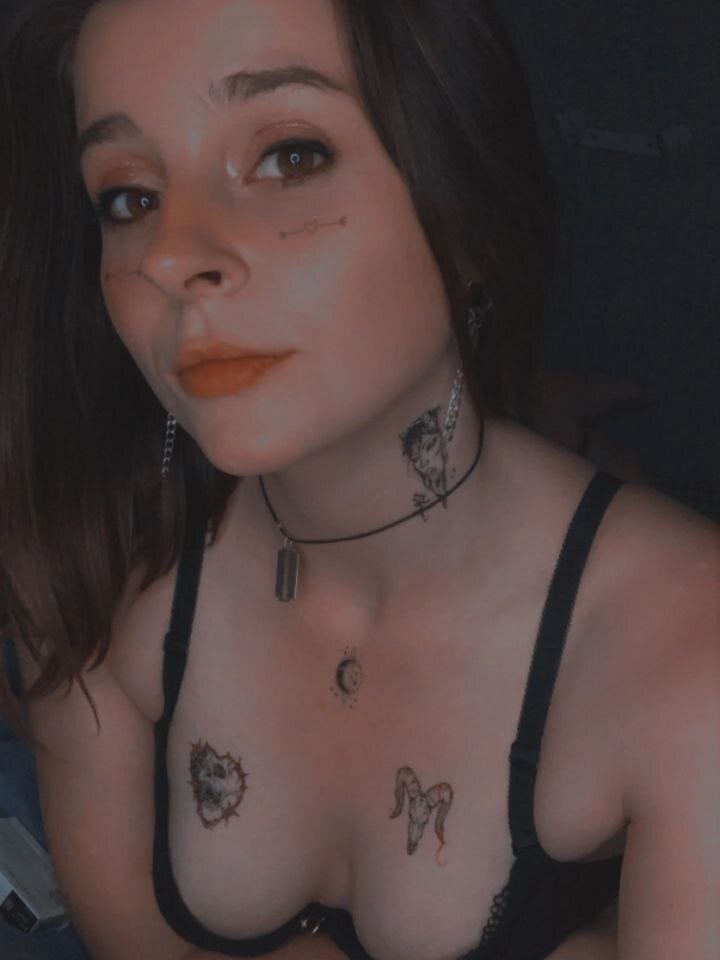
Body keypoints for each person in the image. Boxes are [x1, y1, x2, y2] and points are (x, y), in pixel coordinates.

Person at [1, 2, 718, 959]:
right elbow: (132, 935)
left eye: (289, 156)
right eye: (129, 198)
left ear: (465, 197)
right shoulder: (94, 554)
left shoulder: (687, 650)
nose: (170, 256)